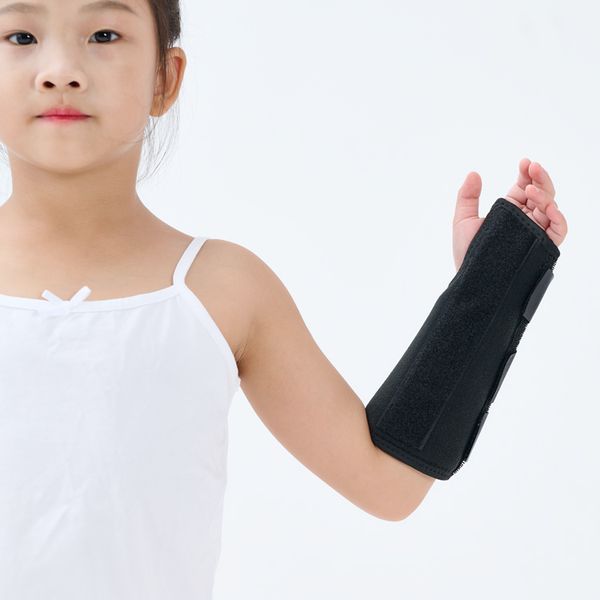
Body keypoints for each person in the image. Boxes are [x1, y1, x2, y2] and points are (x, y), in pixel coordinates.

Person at [0, 1, 569, 598]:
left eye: (103, 33)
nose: (60, 71)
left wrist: (489, 279)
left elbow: (387, 483)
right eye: (21, 36)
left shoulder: (224, 288)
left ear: (164, 78)